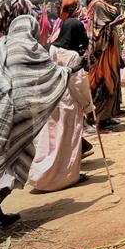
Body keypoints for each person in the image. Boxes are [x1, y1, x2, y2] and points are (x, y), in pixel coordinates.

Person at [0, 15, 70, 230]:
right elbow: (50, 75)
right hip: (18, 114)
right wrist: (70, 70)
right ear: (32, 29)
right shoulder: (32, 48)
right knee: (18, 160)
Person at [28, 29, 95, 192]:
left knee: (50, 140)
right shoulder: (73, 56)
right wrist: (88, 107)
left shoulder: (48, 49)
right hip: (67, 101)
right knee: (67, 140)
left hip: (49, 99)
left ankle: (41, 175)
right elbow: (77, 84)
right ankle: (65, 177)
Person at [87, 0, 123, 130]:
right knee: (101, 81)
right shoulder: (98, 5)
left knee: (112, 81)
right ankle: (96, 117)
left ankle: (106, 116)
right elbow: (98, 31)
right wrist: (115, 22)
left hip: (111, 49)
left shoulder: (107, 5)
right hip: (101, 51)